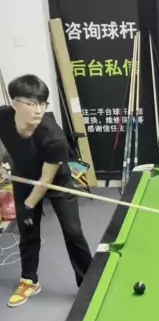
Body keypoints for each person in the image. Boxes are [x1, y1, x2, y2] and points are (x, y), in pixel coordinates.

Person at [0, 74, 92, 307]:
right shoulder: (3, 117)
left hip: (55, 182)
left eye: (42, 103)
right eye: (32, 104)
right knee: (28, 233)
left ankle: (89, 283)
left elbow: (45, 179)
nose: (39, 110)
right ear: (15, 104)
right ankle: (29, 281)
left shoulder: (54, 137)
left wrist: (28, 206)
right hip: (23, 178)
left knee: (73, 232)